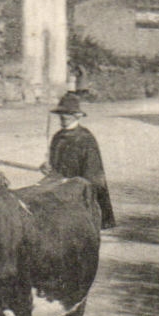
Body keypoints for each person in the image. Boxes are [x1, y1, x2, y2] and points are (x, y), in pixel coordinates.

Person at [46, 91, 115, 229]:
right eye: (61, 114)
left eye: (68, 114)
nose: (63, 117)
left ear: (77, 116)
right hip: (58, 188)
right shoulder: (57, 137)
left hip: (79, 192)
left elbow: (93, 173)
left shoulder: (85, 138)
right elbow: (54, 164)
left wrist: (72, 183)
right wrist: (48, 167)